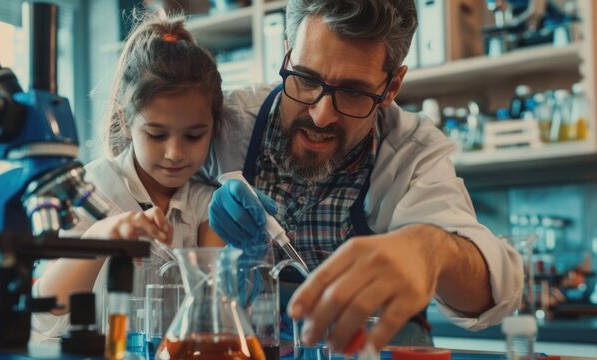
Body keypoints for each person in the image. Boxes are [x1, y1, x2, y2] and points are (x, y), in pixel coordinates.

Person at [204, 0, 523, 354]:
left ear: (391, 87)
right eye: (307, 79)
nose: (322, 115)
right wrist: (201, 203)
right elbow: (138, 175)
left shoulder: (411, 152)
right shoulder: (224, 124)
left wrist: (435, 250)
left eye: (353, 92)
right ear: (288, 55)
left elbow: (495, 297)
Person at [31, 9, 224, 343]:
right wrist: (101, 236)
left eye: (194, 136)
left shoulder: (207, 203)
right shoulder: (85, 190)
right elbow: (40, 324)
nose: (175, 153)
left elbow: (215, 317)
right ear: (125, 120)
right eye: (156, 134)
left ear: (213, 128)